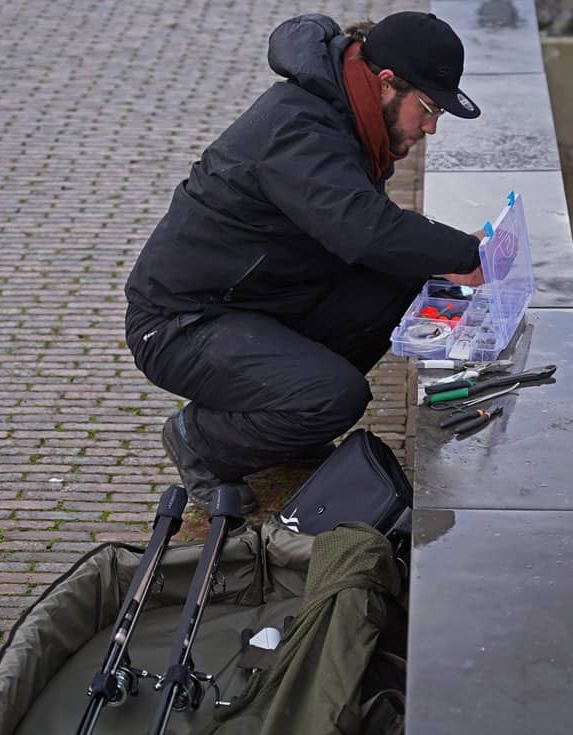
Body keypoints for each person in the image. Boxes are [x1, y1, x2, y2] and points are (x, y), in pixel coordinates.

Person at [124, 11, 485, 514]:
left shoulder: (348, 112)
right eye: (427, 109)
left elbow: (373, 234)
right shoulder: (300, 125)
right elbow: (361, 228)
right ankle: (200, 439)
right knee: (335, 396)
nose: (430, 127)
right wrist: (462, 254)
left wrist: (440, 256)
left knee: (407, 278)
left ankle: (286, 423)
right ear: (386, 84)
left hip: (260, 301)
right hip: (181, 322)